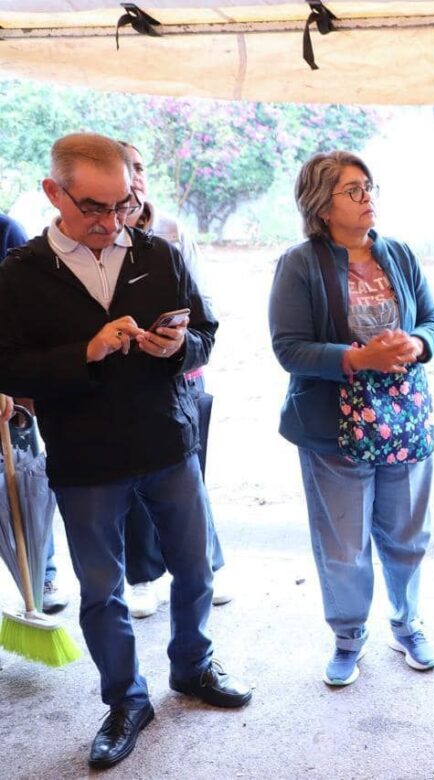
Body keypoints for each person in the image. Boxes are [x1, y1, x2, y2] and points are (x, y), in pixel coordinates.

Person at [0, 132, 251, 770]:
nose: (113, 222)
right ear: (53, 192)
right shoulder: (20, 273)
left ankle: (193, 667)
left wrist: (180, 349)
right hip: (85, 458)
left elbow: (206, 331)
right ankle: (125, 700)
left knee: (195, 570)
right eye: (95, 208)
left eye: (124, 205)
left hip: (168, 440)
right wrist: (86, 351)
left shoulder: (158, 253)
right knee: (101, 589)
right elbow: (10, 368)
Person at [269, 151, 434, 687]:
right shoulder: (300, 264)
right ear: (322, 205)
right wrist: (356, 358)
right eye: (353, 190)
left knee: (407, 533)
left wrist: (417, 342)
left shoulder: (399, 254)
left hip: (404, 418)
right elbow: (289, 348)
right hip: (333, 427)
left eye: (369, 186)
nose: (367, 197)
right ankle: (348, 636)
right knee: (344, 544)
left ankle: (407, 622)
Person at [116, 141, 230, 618]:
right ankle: (142, 576)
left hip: (182, 376)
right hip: (118, 385)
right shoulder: (83, 241)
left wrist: (184, 348)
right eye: (127, 170)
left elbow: (203, 307)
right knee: (134, 481)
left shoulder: (171, 232)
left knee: (188, 479)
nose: (137, 178)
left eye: (141, 167)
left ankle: (208, 563)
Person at [0, 213, 69, 615]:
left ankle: (41, 574)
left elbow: (22, 324)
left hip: (7, 392)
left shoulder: (6, 232)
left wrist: (10, 382)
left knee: (24, 483)